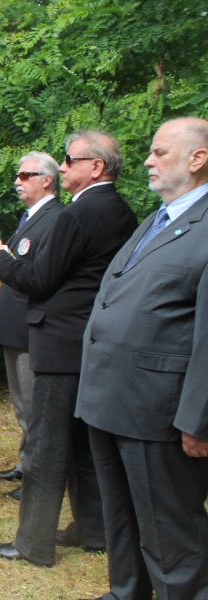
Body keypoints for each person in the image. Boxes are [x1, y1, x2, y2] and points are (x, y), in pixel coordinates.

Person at [0, 131, 138, 566]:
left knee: (47, 447)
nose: (63, 166)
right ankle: (94, 529)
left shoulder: (77, 214)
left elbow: (37, 280)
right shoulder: (122, 211)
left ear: (97, 167)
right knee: (83, 444)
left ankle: (33, 544)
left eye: (70, 160)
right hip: (90, 340)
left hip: (58, 342)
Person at [76, 117, 208, 599]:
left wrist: (198, 419)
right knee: (122, 515)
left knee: (170, 530)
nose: (148, 161)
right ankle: (126, 591)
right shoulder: (160, 218)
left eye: (160, 152)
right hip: (110, 398)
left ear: (197, 159)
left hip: (159, 410)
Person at [0, 152, 64, 501]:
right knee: (22, 406)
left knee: (34, 409)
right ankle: (25, 463)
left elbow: (38, 276)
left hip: (33, 330)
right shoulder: (32, 216)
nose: (18, 181)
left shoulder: (57, 219)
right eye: (18, 175)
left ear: (47, 180)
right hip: (15, 327)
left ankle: (38, 476)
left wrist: (0, 259)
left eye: (26, 175)